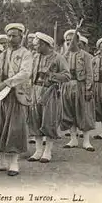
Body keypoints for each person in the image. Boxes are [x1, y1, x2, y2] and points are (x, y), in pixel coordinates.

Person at [0, 23, 32, 176]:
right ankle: (0, 161)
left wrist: (5, 84)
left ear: (21, 37)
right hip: (2, 95)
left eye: (14, 35)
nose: (11, 38)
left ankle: (14, 163)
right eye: (9, 35)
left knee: (14, 129)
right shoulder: (3, 54)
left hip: (16, 94)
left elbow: (25, 73)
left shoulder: (26, 54)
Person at [27, 32, 70, 163]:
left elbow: (67, 76)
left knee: (48, 120)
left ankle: (48, 151)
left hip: (50, 91)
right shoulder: (34, 57)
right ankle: (38, 150)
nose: (35, 47)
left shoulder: (58, 58)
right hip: (35, 90)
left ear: (45, 45)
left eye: (37, 44)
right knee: (35, 120)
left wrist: (51, 75)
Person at [60, 30, 95, 152]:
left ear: (78, 41)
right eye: (67, 40)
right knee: (69, 112)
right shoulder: (64, 56)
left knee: (83, 111)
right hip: (67, 86)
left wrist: (89, 88)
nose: (70, 42)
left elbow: (90, 73)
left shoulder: (85, 55)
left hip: (81, 85)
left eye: (73, 39)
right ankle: (73, 139)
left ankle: (86, 141)